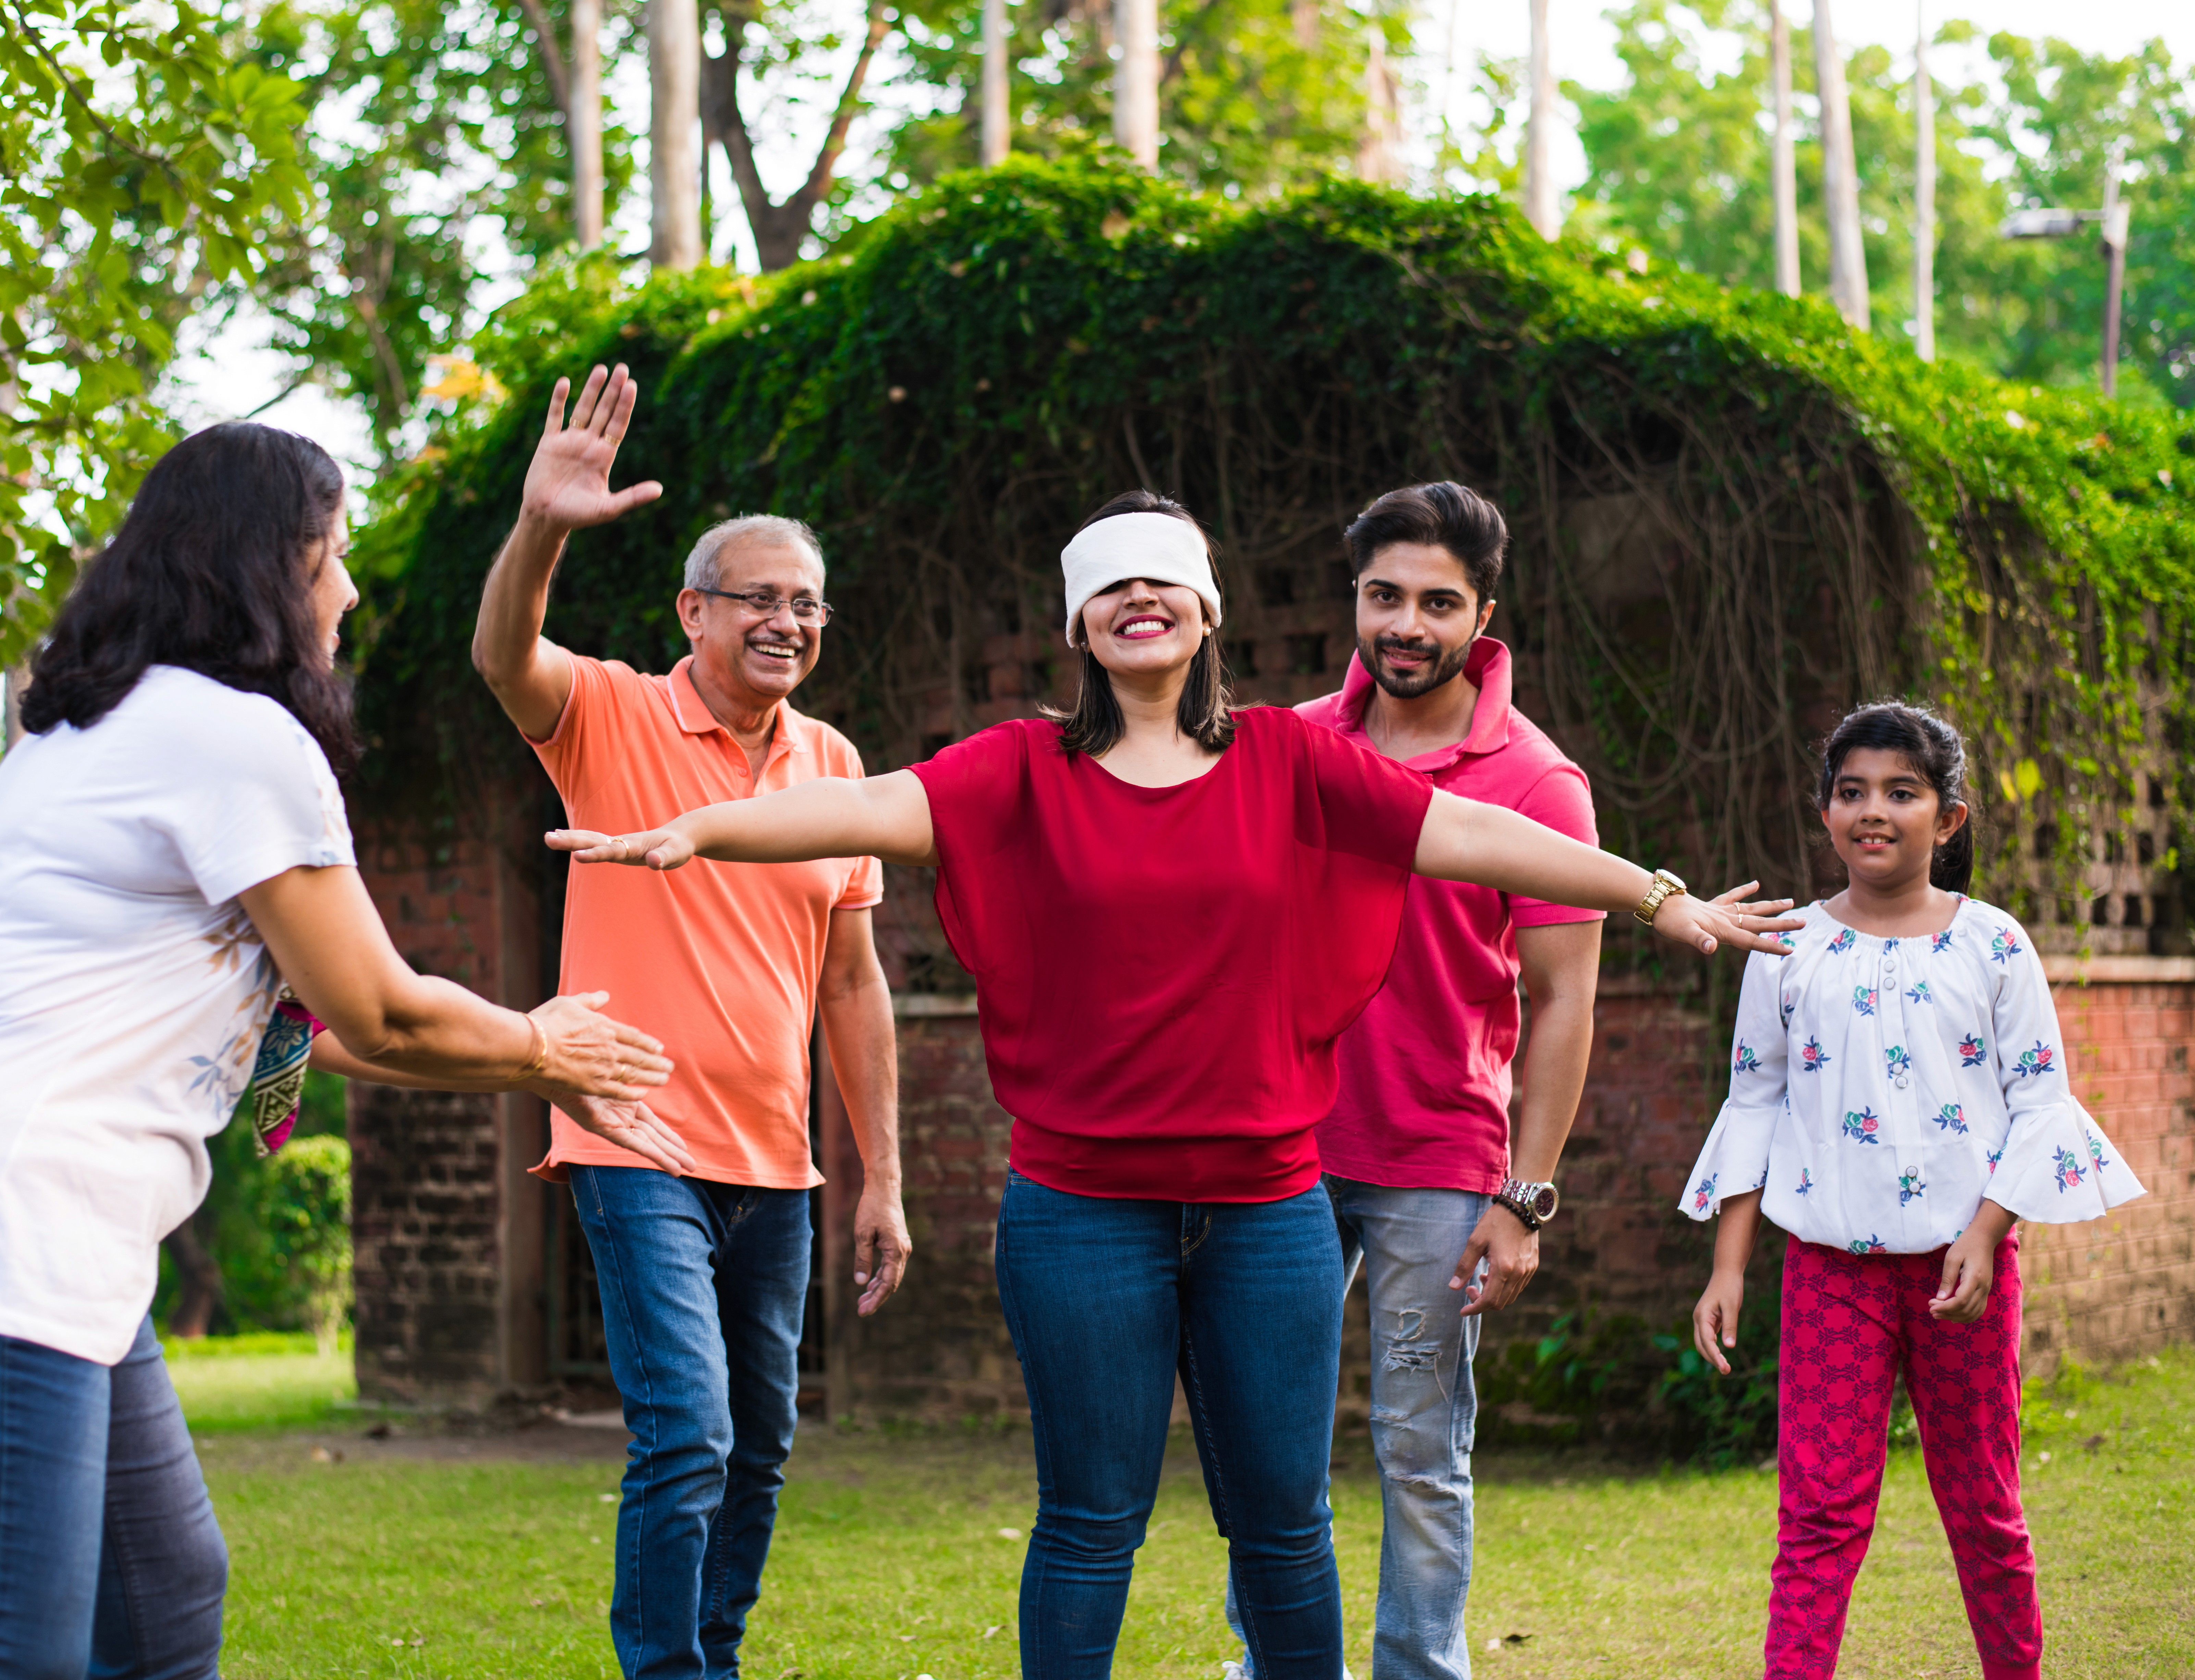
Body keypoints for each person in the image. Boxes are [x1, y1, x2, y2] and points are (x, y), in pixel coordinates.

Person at [551, 488, 1799, 1680]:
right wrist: (703, 830)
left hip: (1268, 1215)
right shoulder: (1020, 767)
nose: (1138, 600)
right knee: (1092, 1523)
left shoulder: (1287, 758)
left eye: (1163, 582)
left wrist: (1654, 893)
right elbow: (868, 807)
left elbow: (1469, 835)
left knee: (1283, 1528)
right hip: (1081, 1213)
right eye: (1110, 587)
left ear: (1206, 613)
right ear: (1079, 624)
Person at [0, 422, 678, 1680]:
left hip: (29, 1221)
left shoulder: (81, 734)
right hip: (2, 1219)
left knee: (164, 1603)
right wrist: (544, 1048)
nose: (351, 590)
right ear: (269, 566)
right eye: (334, 554)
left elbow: (303, 1029)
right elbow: (386, 1009)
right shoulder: (233, 739)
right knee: (5, 1655)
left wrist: (532, 1066)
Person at [470, 366, 908, 1680]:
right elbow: (503, 657)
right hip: (633, 1143)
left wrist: (882, 1172)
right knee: (690, 1433)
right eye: (760, 598)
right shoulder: (608, 710)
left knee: (763, 1440)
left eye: (806, 603)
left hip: (777, 1165)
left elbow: (852, 984)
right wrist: (544, 523)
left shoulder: (832, 766)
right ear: (693, 612)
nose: (787, 621)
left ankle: (708, 1653)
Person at [1223, 483, 1606, 1680]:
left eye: (1438, 603)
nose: (1406, 624)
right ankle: (1277, 1666)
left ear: (1483, 616)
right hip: (1273, 1156)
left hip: (1438, 1167)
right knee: (1261, 1447)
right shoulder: (1285, 745)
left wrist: (1525, 1197)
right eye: (1384, 595)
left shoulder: (1539, 784)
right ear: (1355, 599)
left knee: (1420, 1450)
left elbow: (1565, 1004)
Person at [1679, 701, 2144, 1680]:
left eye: (1902, 792)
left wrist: (1985, 1233)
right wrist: (1729, 1267)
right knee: (1817, 1516)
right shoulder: (1788, 945)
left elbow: (2041, 1102)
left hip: (1963, 1275)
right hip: (1828, 1279)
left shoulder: (1996, 945)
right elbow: (1754, 1100)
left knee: (1985, 1508)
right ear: (1825, 813)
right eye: (1852, 793)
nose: (1873, 812)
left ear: (1951, 817)